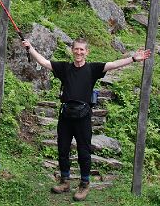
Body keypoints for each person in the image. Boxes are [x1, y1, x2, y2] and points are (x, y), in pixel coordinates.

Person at [23, 37, 152, 201]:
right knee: (63, 149)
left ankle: (84, 184)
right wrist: (30, 48)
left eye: (81, 50)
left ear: (86, 52)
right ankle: (65, 181)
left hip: (83, 117)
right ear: (72, 50)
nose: (78, 52)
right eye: (76, 49)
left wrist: (133, 58)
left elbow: (113, 64)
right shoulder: (64, 68)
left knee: (84, 151)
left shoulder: (93, 69)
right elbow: (44, 62)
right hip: (66, 116)